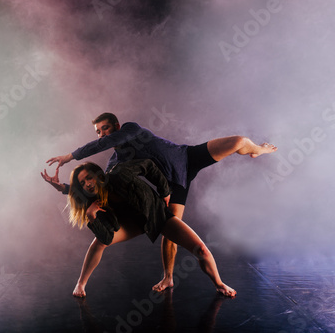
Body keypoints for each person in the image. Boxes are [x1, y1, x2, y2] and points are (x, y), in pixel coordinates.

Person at [45, 113, 277, 292]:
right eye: (97, 131)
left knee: (239, 141)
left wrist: (70, 156)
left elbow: (105, 143)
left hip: (186, 157)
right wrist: (65, 189)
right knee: (171, 231)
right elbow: (101, 188)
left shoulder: (130, 129)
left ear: (116, 127)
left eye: (104, 128)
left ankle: (258, 150)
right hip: (174, 186)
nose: (101, 134)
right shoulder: (117, 160)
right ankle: (168, 277)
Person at [41, 159, 236, 298]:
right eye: (83, 183)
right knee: (100, 243)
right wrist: (91, 217)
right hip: (130, 225)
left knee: (200, 249)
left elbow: (148, 165)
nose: (88, 184)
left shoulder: (120, 172)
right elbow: (107, 236)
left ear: (99, 175)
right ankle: (81, 284)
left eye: (89, 178)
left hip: (156, 216)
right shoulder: (92, 202)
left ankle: (219, 283)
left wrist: (165, 191)